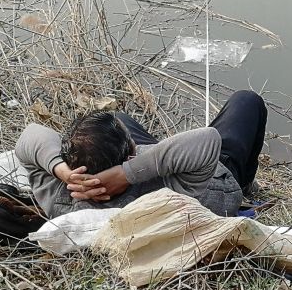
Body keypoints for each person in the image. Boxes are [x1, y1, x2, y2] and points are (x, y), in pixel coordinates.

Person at [15, 90, 268, 218]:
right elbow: (207, 140)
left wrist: (62, 171)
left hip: (144, 164)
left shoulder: (61, 197)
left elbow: (30, 135)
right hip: (212, 175)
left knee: (117, 119)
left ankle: (121, 141)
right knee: (246, 101)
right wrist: (126, 175)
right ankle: (247, 184)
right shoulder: (170, 192)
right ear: (130, 158)